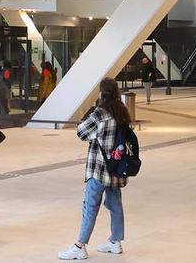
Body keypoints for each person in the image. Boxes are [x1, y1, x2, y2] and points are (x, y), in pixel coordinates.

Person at [58, 78, 130, 260]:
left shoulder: (100, 113)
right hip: (116, 168)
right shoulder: (122, 112)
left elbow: (81, 132)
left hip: (99, 168)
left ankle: (79, 246)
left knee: (90, 206)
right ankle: (115, 242)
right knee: (115, 205)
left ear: (102, 93)